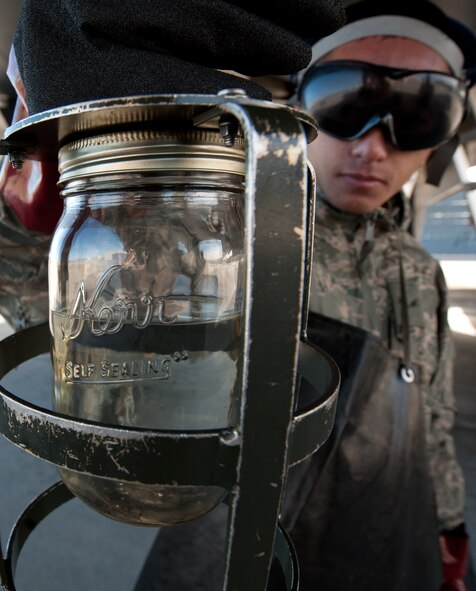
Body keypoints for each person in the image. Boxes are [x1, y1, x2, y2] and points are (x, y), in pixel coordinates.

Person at [279, 1, 475, 590]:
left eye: (417, 114)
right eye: (346, 105)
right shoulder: (225, 245)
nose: (372, 148)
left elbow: (433, 419)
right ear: (298, 110)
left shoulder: (418, 270)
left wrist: (448, 530)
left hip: (391, 543)